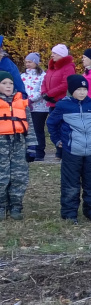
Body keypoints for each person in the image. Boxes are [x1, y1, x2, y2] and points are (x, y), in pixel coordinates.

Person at [46, 75, 91, 224]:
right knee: (71, 184)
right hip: (72, 151)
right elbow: (51, 123)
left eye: (85, 89)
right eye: (79, 89)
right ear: (72, 90)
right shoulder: (63, 106)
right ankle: (70, 214)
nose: (82, 92)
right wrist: (57, 140)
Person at [0, 71, 37, 220]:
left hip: (19, 143)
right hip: (1, 143)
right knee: (2, 177)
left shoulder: (21, 103)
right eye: (4, 83)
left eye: (10, 83)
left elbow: (30, 126)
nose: (8, 86)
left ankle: (16, 206)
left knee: (19, 176)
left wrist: (32, 146)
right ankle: (1, 206)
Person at [41, 44, 76, 160]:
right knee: (53, 126)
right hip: (52, 102)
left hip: (61, 102)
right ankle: (59, 148)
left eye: (55, 53)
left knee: (62, 127)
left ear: (61, 55)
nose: (52, 55)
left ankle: (62, 152)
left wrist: (50, 94)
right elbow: (45, 80)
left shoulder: (68, 67)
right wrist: (44, 93)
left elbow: (66, 84)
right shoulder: (52, 67)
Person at [21, 53, 48, 160]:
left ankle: (39, 152)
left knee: (38, 129)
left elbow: (42, 91)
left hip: (40, 107)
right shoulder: (23, 76)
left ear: (36, 63)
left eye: (30, 62)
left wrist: (31, 100)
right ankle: (28, 151)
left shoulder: (43, 76)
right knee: (26, 129)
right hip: (24, 106)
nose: (27, 64)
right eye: (26, 62)